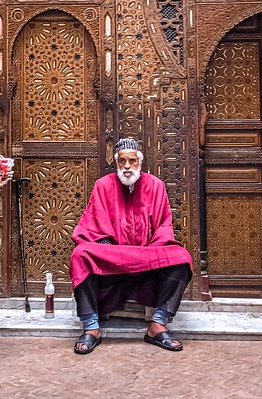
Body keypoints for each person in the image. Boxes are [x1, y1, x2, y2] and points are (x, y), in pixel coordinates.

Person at [69, 138, 193, 354]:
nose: (127, 166)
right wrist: (109, 249)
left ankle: (158, 324)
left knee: (182, 258)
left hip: (146, 257)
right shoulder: (103, 185)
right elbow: (92, 224)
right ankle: (91, 328)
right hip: (111, 258)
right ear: (116, 163)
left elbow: (164, 227)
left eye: (132, 161)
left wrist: (152, 250)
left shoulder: (156, 186)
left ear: (140, 163)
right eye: (123, 161)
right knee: (80, 255)